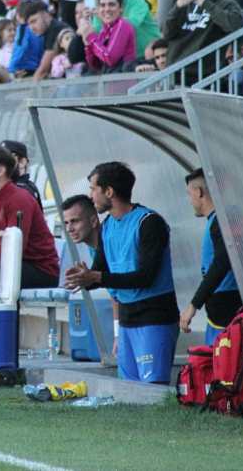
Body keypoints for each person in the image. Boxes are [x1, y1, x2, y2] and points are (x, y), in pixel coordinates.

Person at [65, 162, 179, 384]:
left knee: (152, 390)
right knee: (129, 393)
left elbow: (146, 277)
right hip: (128, 319)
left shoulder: (149, 222)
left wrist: (95, 277)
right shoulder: (108, 226)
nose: (91, 196)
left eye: (93, 189)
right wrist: (82, 278)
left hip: (154, 316)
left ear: (109, 192)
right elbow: (100, 272)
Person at [0, 147, 59, 288]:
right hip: (15, 264)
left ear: (0, 171)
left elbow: (14, 249)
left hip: (40, 271)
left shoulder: (18, 199)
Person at [180, 168, 243, 344]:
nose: (189, 200)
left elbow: (222, 262)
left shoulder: (221, 221)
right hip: (218, 311)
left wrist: (194, 305)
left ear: (199, 192)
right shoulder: (219, 220)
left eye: (189, 194)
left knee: (226, 365)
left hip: (225, 311)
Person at [162, 0, 243, 82]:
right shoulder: (185, 3)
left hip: (204, 77)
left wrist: (205, 4)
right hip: (174, 73)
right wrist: (178, 7)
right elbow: (167, 33)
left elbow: (233, 26)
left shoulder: (227, 3)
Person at [81, 0, 138, 73]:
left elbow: (110, 58)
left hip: (125, 82)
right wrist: (87, 44)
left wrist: (91, 37)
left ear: (121, 8)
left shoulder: (123, 25)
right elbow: (96, 65)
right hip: (109, 83)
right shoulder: (104, 31)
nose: (107, 9)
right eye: (103, 5)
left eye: (111, 5)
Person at [0, 140, 42, 207]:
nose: (0, 163)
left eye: (6, 158)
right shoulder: (27, 187)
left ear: (22, 162)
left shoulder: (23, 191)